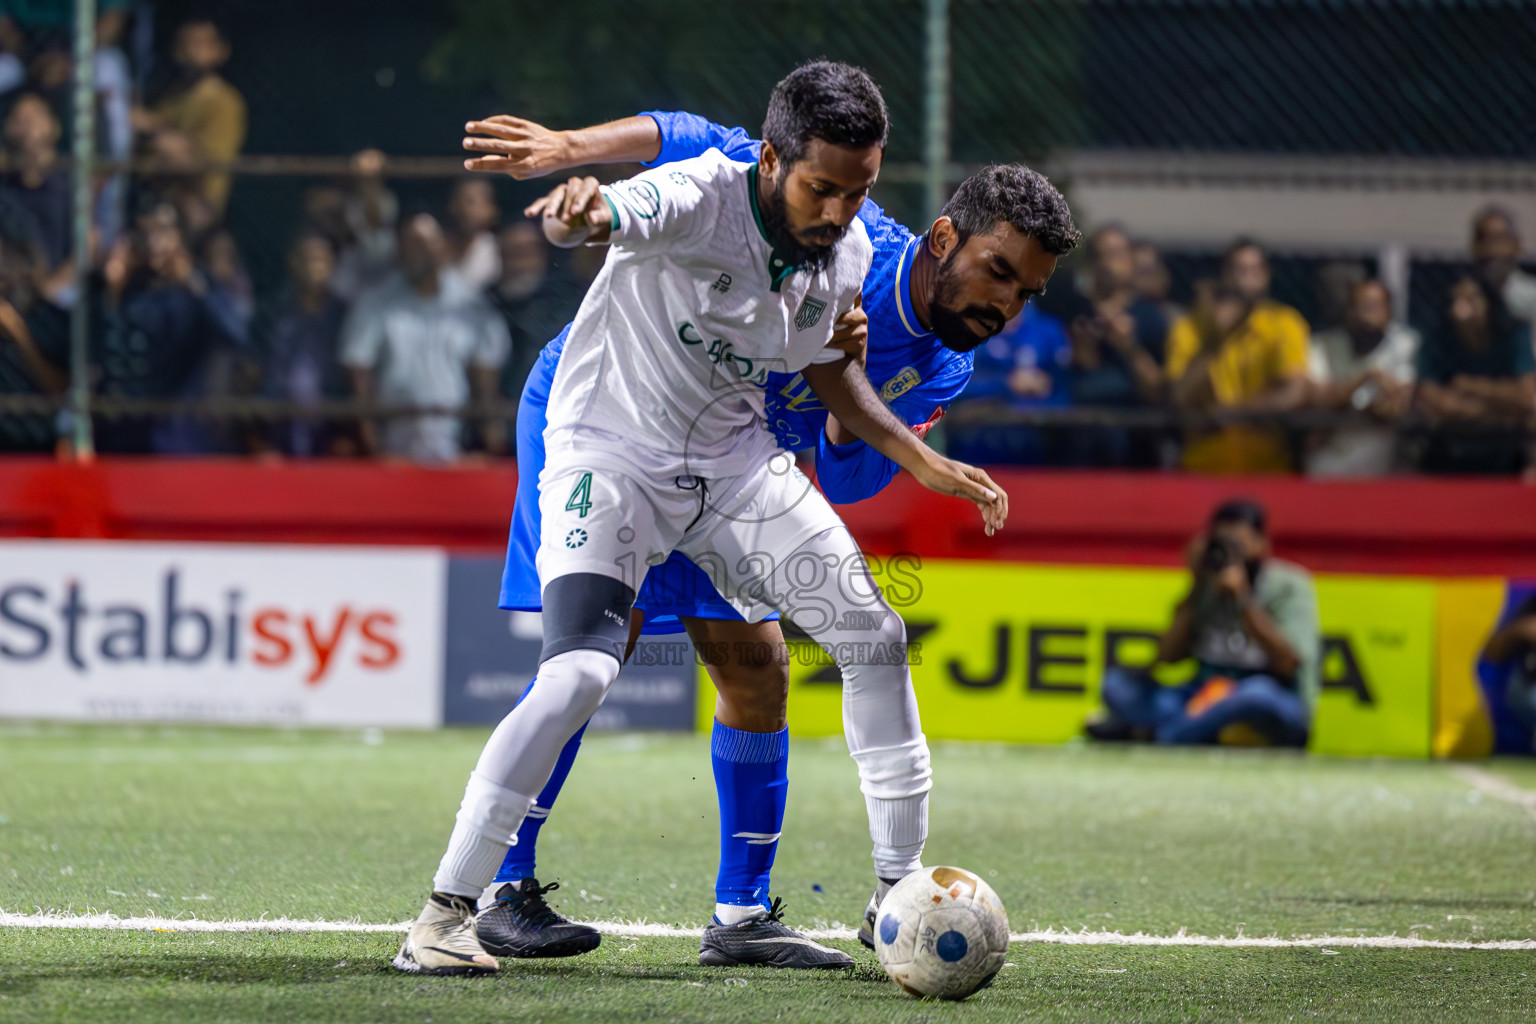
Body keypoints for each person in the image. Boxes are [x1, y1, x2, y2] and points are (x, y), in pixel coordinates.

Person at [393, 62, 1015, 978]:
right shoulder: (701, 192)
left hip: (730, 466)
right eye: (821, 187)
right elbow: (616, 210)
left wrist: (922, 459)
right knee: (579, 673)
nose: (840, 211)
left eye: (860, 191)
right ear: (772, 161)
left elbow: (822, 369)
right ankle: (448, 914)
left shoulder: (844, 254)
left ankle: (896, 890)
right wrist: (578, 207)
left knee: (874, 637)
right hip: (609, 451)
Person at [1086, 499, 1319, 748]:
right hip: (1203, 692)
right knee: (1117, 685)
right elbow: (1168, 656)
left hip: (1266, 691)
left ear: (1262, 544)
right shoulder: (1207, 580)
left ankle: (1160, 735)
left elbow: (1288, 663)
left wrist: (1242, 599)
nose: (1231, 552)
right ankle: (1201, 731)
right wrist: (1196, 584)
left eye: (1238, 543)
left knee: (1254, 696)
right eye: (1223, 543)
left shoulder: (1289, 585)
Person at [340, 213, 510, 463]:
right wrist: (373, 449)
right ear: (399, 250)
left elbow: (485, 381)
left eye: (429, 242)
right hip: (393, 453)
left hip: (457, 451)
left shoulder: (470, 305)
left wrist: (488, 443)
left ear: (443, 247)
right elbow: (359, 377)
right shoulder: (375, 304)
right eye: (413, 243)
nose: (423, 251)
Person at [93, 203, 238, 454]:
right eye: (144, 233)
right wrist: (112, 291)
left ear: (179, 237)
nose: (152, 243)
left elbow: (234, 334)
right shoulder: (126, 288)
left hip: (179, 437)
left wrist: (193, 284)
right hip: (123, 436)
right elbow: (105, 351)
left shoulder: (199, 285)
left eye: (161, 232)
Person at [1167, 240, 1310, 473]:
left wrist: (1230, 414)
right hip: (1202, 467)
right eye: (1238, 270)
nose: (1245, 278)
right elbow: (1180, 396)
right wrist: (1215, 340)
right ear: (1223, 275)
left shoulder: (1285, 323)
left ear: (1266, 277)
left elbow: (1293, 392)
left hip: (1268, 469)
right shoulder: (1189, 327)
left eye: (1254, 270)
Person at [1414, 274, 1535, 475]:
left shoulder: (1513, 335)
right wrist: (1502, 407)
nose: (1464, 308)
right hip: (1447, 448)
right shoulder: (1436, 339)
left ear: (1489, 301)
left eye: (1471, 299)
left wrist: (1470, 386)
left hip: (1507, 451)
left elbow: (1525, 398)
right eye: (1457, 300)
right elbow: (1439, 403)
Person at [1305, 279, 1418, 477]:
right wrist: (1366, 377)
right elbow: (1318, 398)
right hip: (1329, 454)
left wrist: (1344, 404)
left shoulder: (1405, 345)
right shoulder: (1323, 344)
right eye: (1359, 307)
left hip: (1381, 460)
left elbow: (1393, 406)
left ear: (1389, 313)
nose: (1365, 315)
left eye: (1374, 307)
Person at [133, 19, 247, 216]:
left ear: (219, 50)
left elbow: (199, 165)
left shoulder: (223, 101)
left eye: (198, 43)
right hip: (155, 199)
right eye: (182, 43)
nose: (187, 52)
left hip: (197, 205)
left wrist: (153, 130)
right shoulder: (171, 96)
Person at [254, 231, 353, 457]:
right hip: (278, 433)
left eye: (320, 259)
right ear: (291, 262)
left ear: (332, 264)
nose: (313, 266)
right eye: (305, 258)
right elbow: (252, 373)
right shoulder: (270, 313)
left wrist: (348, 435)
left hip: (332, 437)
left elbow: (355, 380)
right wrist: (257, 438)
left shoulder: (344, 316)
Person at [484, 220, 578, 424]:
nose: (521, 260)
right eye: (514, 251)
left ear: (543, 253)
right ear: (500, 253)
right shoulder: (484, 303)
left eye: (528, 250)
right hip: (493, 423)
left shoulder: (565, 304)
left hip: (551, 416)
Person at [0, 93, 71, 303]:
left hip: (64, 293)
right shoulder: (5, 186)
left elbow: (90, 242)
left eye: (35, 115)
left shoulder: (69, 179)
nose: (28, 124)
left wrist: (54, 286)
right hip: (16, 291)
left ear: (53, 125)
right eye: (19, 118)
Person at [1470, 206, 1536, 337]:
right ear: (1475, 245)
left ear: (1516, 244)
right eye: (1485, 238)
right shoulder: (1463, 297)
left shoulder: (1531, 295)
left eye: (1500, 238)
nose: (1493, 247)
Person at [447, 177, 501, 291]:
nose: (470, 210)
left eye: (482, 202)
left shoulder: (498, 249)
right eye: (468, 201)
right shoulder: (440, 244)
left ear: (493, 209)